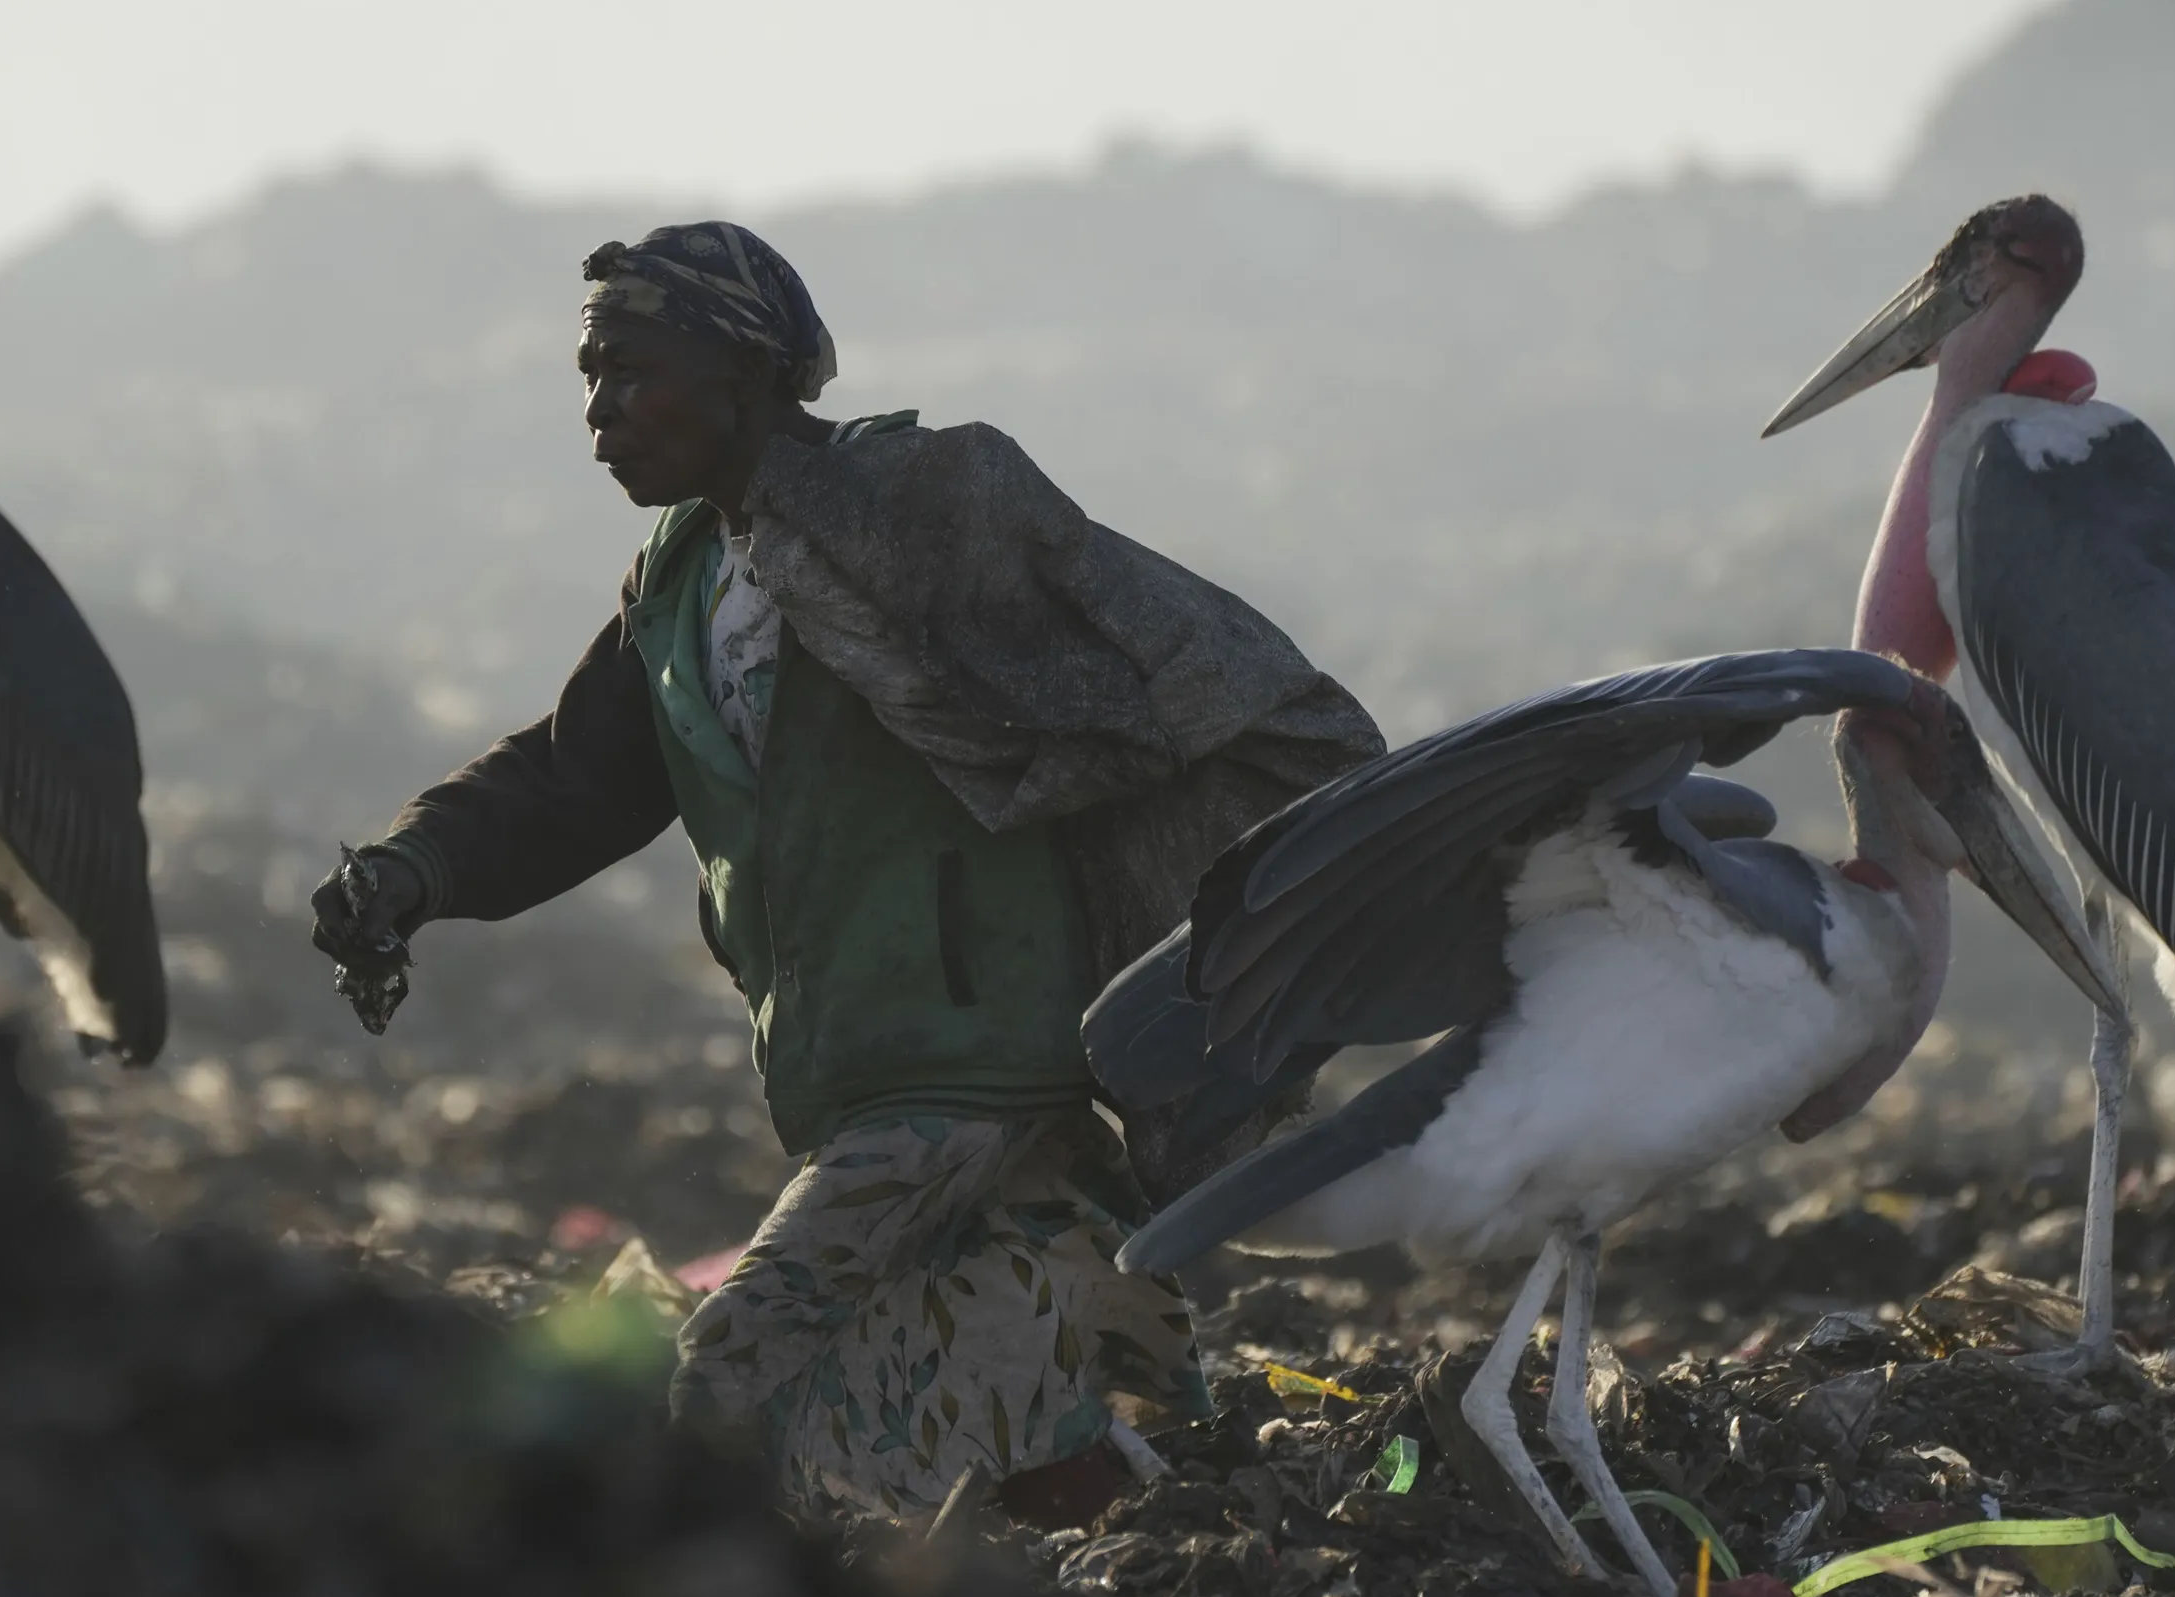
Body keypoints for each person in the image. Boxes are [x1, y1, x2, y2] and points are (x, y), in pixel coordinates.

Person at [313, 222, 1379, 1522]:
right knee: (1012, 1382)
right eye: (589, 378)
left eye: (630, 372)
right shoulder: (684, 580)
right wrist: (412, 870)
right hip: (864, 1074)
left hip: (968, 1064)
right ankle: (1128, 1559)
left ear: (740, 374)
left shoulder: (916, 505)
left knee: (731, 1376)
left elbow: (1165, 666)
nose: (599, 412)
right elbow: (574, 778)